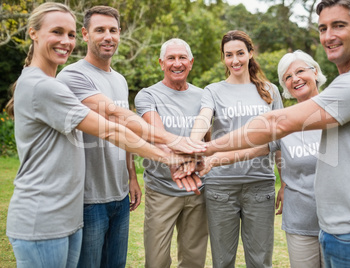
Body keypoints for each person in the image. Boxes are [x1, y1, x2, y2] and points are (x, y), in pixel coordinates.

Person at [202, 0, 350, 267]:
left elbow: (276, 122)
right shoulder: (347, 85)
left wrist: (204, 148)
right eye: (322, 28)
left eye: (339, 26)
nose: (328, 36)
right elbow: (348, 155)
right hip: (340, 229)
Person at [5, 3, 188, 267]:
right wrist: (172, 150)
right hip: (51, 214)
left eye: (69, 35)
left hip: (73, 211)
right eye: (57, 32)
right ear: (33, 33)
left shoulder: (55, 82)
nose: (65, 41)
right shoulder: (53, 83)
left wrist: (131, 176)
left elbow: (118, 126)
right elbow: (113, 124)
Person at [190, 30, 283, 268]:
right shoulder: (213, 90)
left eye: (240, 53)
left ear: (251, 53)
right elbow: (204, 117)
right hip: (221, 187)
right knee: (222, 261)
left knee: (261, 262)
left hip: (260, 185)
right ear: (223, 58)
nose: (235, 60)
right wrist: (191, 143)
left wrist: (285, 182)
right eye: (228, 55)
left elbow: (276, 143)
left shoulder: (270, 91)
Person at [57, 6, 138, 267]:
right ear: (85, 34)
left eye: (113, 30)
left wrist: (132, 177)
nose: (108, 37)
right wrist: (170, 143)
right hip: (89, 199)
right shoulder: (72, 75)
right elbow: (115, 119)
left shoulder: (120, 80)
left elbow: (124, 134)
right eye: (100, 30)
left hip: (120, 196)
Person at [134, 38, 208, 268]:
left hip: (197, 189)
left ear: (191, 62)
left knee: (194, 260)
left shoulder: (203, 96)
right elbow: (158, 135)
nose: (177, 63)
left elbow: (208, 138)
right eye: (171, 58)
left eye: (182, 57)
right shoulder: (147, 95)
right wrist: (176, 162)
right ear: (161, 63)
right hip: (162, 190)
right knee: (156, 260)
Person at [272, 50, 327, 268]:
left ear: (315, 72)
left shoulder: (339, 111)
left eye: (300, 71)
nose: (295, 79)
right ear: (285, 86)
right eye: (287, 77)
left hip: (341, 222)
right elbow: (261, 150)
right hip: (300, 221)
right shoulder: (284, 122)